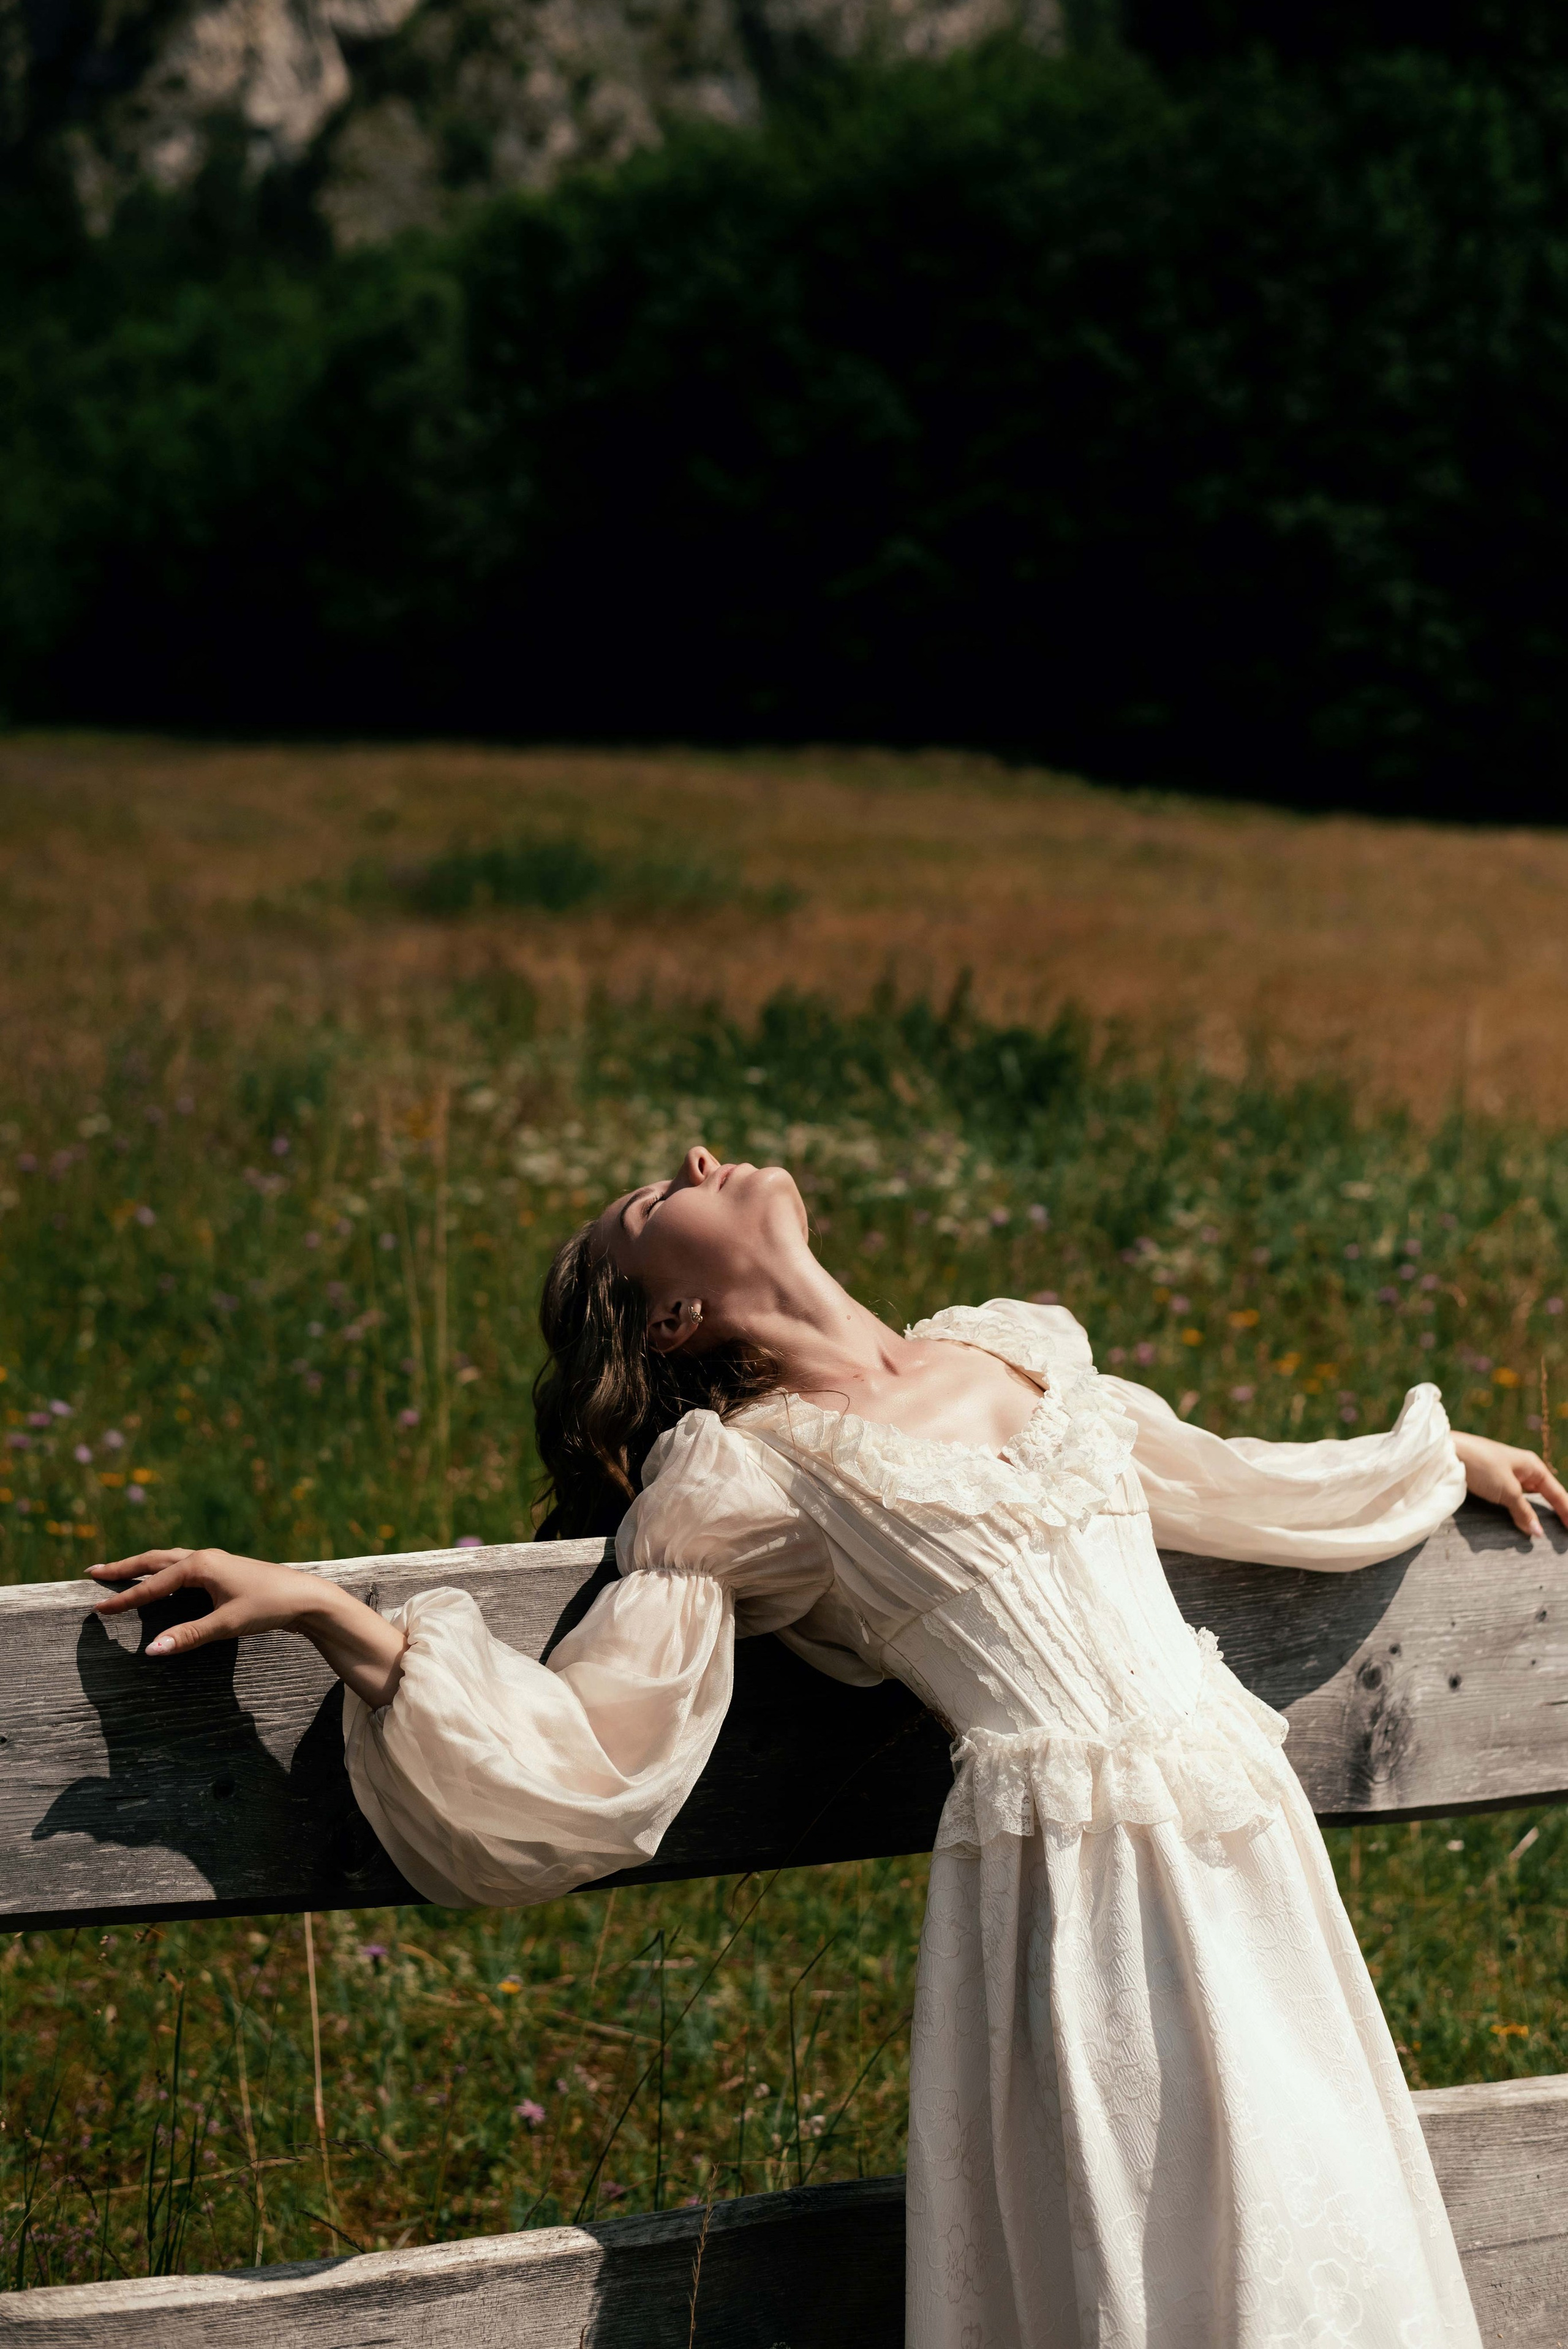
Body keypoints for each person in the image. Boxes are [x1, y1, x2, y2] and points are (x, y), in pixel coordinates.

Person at [89, 1145, 1565, 2347]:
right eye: (651, 1203)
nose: (694, 1158)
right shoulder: (748, 1473)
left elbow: (1223, 1479)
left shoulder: (1024, 1351)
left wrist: (1434, 1464)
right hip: (1067, 1878)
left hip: (1238, 1825)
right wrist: (346, 1624)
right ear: (671, 1321)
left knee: (1318, 2213)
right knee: (1157, 2240)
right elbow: (596, 1736)